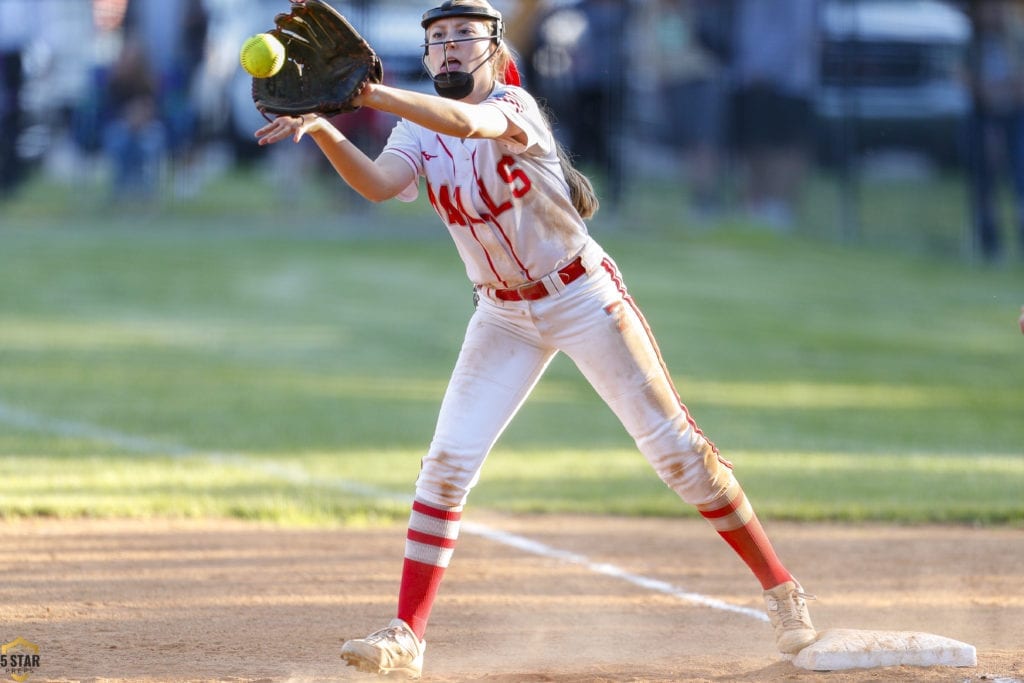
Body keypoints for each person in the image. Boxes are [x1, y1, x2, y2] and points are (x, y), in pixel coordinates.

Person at [255, 1, 817, 677]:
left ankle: (783, 590)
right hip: (501, 315)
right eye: (437, 39)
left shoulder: (514, 106)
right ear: (427, 57)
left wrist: (369, 94)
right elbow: (379, 184)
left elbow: (469, 121)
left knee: (677, 455)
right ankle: (407, 632)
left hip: (582, 295)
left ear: (494, 49)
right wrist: (323, 127)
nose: (451, 47)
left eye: (465, 35)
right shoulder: (416, 129)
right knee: (446, 464)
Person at [728, 0, 819, 230]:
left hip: (787, 81)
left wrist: (768, 68)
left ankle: (779, 208)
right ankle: (758, 205)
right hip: (751, 78)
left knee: (784, 145)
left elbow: (800, 30)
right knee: (756, 144)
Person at [965, 0, 1024, 263]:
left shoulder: (1016, 40)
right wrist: (985, 93)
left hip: (1015, 115)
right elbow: (963, 77)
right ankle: (989, 240)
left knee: (1019, 177)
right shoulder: (971, 43)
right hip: (981, 116)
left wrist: (1002, 92)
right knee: (984, 179)